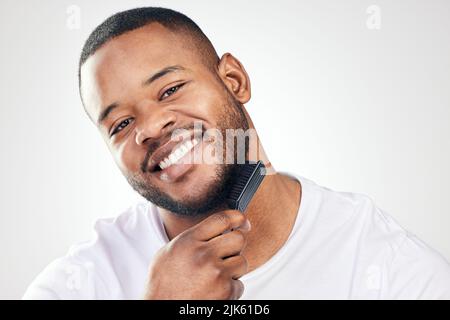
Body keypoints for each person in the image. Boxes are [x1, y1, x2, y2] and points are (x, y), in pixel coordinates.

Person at [24, 7, 450, 299]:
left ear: (234, 80)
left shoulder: (392, 270)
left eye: (170, 89)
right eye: (120, 124)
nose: (151, 129)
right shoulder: (77, 284)